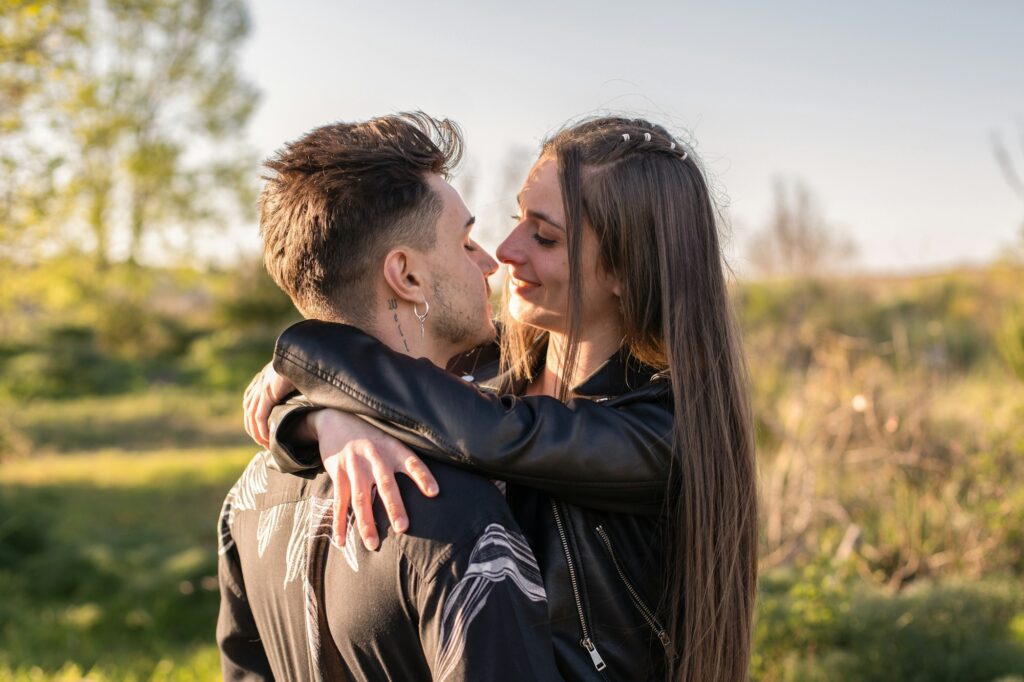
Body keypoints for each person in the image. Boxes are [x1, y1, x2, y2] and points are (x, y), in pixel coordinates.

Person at [248, 116, 758, 681]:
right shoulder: (489, 376)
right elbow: (421, 407)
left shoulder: (659, 432)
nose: (505, 250)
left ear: (624, 270)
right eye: (518, 219)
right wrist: (323, 418)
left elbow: (495, 435)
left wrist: (312, 348)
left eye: (544, 236)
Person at [217, 113, 561, 681]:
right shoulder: (455, 513)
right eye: (465, 241)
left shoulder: (246, 499)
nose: (490, 263)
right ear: (406, 275)